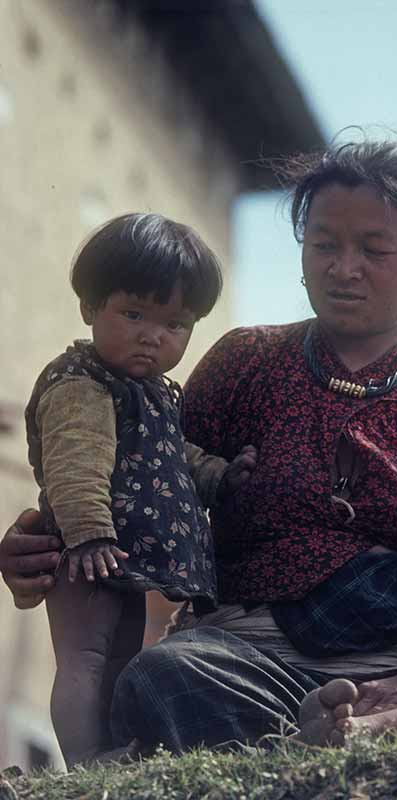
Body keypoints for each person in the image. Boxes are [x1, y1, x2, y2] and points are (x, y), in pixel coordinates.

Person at [1, 138, 397, 755]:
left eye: (374, 249)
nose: (344, 267)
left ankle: (382, 727)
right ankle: (324, 735)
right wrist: (47, 540)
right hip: (247, 659)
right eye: (324, 245)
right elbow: (134, 480)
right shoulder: (244, 364)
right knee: (161, 677)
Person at [22, 213, 257, 766]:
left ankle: (109, 752)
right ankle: (84, 763)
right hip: (88, 553)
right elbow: (75, 465)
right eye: (133, 314)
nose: (152, 336)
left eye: (175, 324)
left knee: (124, 657)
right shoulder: (81, 384)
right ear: (90, 308)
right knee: (84, 657)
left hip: (126, 558)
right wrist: (87, 536)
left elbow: (173, 458)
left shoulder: (153, 394)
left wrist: (220, 477)